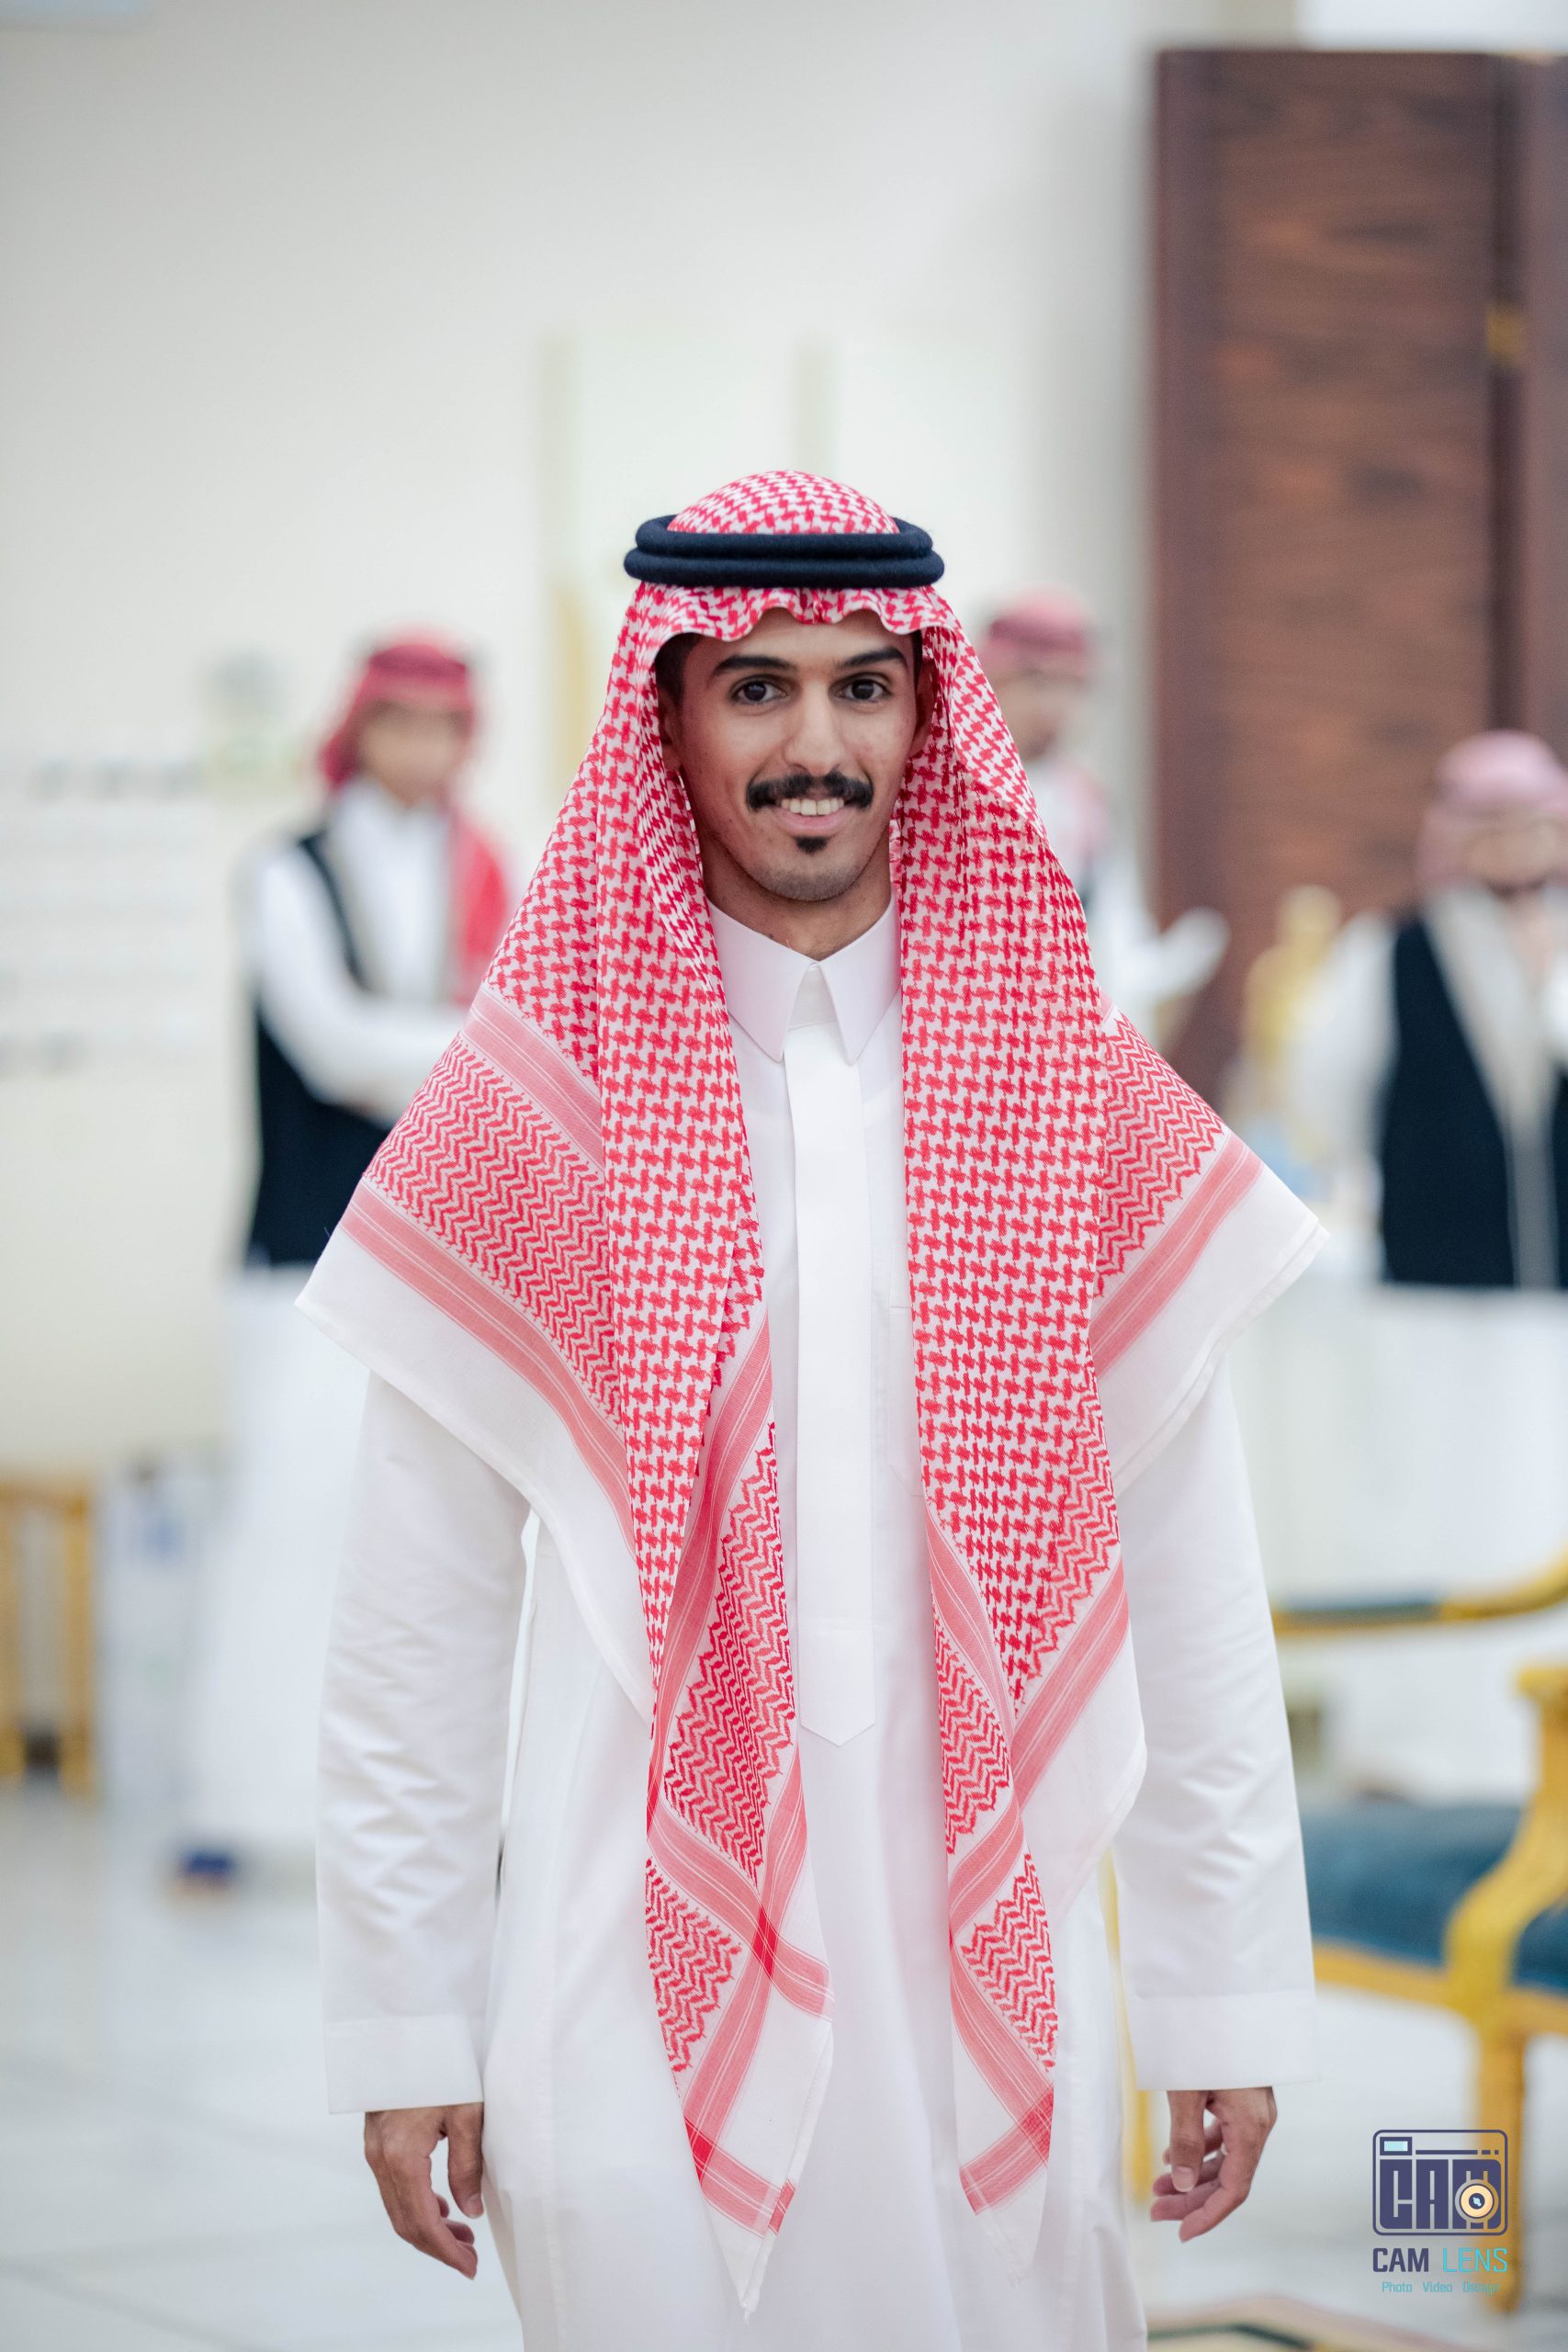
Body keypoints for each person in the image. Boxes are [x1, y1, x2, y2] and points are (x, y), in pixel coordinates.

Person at [301, 476, 1323, 2350]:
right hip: (621, 1978)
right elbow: (412, 1615)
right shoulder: (534, 1111)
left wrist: (1220, 1992)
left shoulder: (1066, 1091)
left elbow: (1190, 1579)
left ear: (928, 716)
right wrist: (404, 2021)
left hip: (994, 1974)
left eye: (863, 687)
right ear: (668, 718)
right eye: (755, 688)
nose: (815, 745)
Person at [176, 638, 510, 1879]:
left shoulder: (486, 869)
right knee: (287, 1525)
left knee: (446, 1539)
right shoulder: (286, 870)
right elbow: (331, 1044)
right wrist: (482, 1046)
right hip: (305, 1251)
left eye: (444, 722)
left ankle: (446, 1823)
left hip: (443, 1255)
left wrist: (446, 1050)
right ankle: (246, 1810)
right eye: (399, 719)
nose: (421, 745)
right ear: (357, 729)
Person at [1290, 729, 1568, 1288]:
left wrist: (1550, 982)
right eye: (1492, 824)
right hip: (1437, 1272)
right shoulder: (1388, 951)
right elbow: (1325, 1096)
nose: (1513, 843)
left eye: (1531, 825)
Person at [978, 588, 1226, 1040]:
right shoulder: (942, 790)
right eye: (1036, 682)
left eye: (1073, 686)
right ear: (988, 678)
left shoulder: (1089, 805)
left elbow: (1117, 949)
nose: (1054, 707)